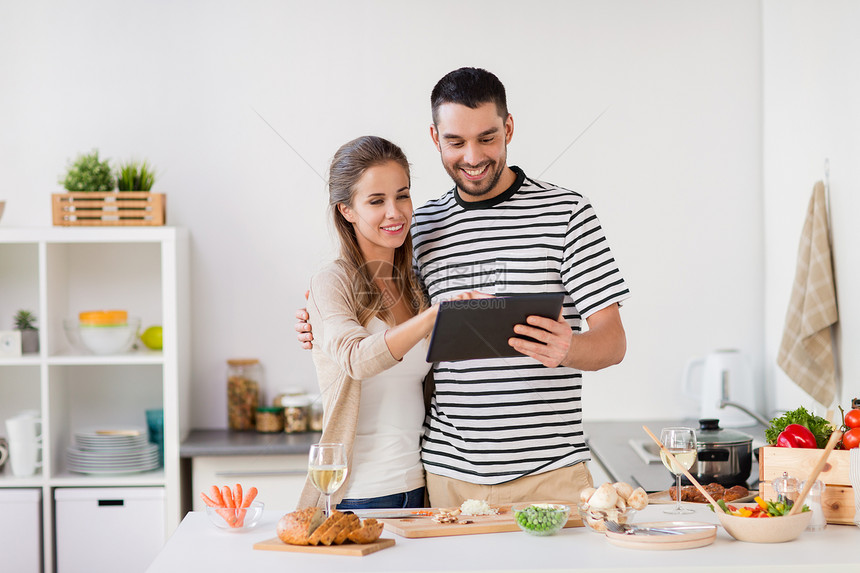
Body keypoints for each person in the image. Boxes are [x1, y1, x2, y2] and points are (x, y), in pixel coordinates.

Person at [297, 68, 630, 507]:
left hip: (552, 475)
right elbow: (382, 316)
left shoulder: (567, 213)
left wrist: (568, 348)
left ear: (508, 128)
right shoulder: (420, 227)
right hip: (445, 479)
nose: (472, 156)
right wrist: (318, 324)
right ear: (435, 139)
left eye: (487, 138)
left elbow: (613, 342)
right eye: (456, 142)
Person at [297, 135, 441, 511]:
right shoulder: (332, 281)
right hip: (358, 493)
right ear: (347, 210)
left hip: (421, 488)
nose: (395, 212)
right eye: (376, 201)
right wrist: (432, 319)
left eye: (402, 195)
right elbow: (357, 359)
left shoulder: (415, 284)